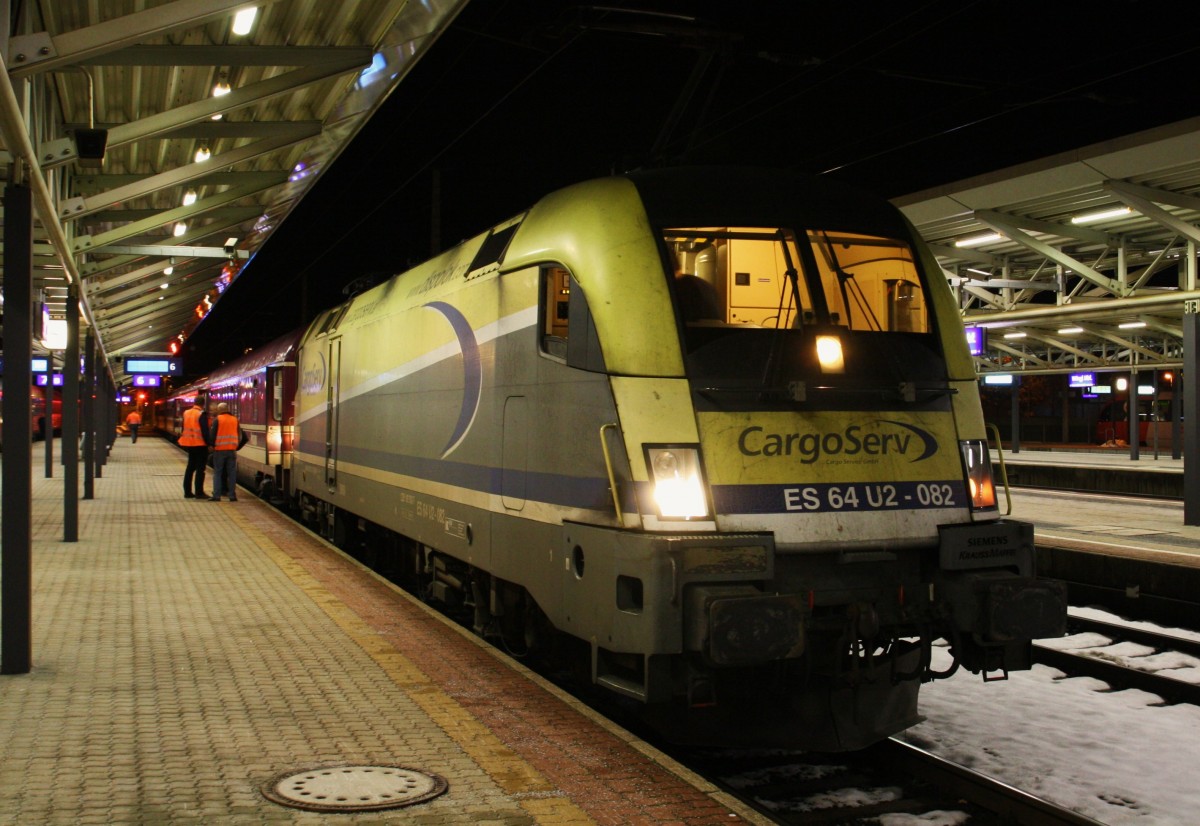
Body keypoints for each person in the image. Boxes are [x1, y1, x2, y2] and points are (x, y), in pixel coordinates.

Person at [209, 402, 246, 502]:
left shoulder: (217, 420)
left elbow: (212, 436)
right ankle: (232, 496)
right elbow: (241, 435)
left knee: (218, 473)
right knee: (232, 473)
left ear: (220, 410)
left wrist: (211, 446)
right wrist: (236, 446)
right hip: (232, 451)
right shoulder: (235, 420)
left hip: (219, 450)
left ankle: (217, 496)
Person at [178, 396, 210, 499]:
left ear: (194, 402)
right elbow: (205, 431)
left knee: (190, 468)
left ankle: (187, 492)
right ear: (203, 404)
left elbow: (183, 428)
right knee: (200, 469)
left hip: (189, 444)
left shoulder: (186, 413)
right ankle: (199, 492)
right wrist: (209, 444)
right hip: (200, 444)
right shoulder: (201, 414)